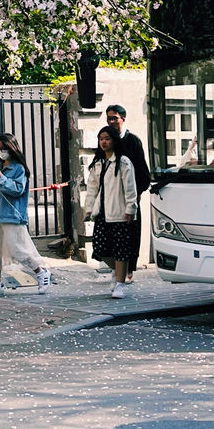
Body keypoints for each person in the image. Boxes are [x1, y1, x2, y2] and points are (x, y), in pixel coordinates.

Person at [0, 132, 51, 297]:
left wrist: (1, 179)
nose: (1, 152)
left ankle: (41, 272)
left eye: (4, 148)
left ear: (11, 148)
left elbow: (18, 189)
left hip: (12, 215)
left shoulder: (18, 168)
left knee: (17, 249)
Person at [84, 125, 137, 299]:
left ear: (114, 140)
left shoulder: (123, 162)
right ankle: (117, 271)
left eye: (107, 138)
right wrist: (89, 209)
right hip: (103, 214)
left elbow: (130, 189)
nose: (104, 142)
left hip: (120, 213)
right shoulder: (97, 163)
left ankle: (120, 284)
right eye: (101, 139)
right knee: (100, 249)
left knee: (121, 250)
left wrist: (131, 209)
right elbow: (92, 189)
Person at [106, 104, 151, 282]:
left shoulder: (133, 141)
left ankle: (129, 269)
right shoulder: (107, 140)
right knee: (110, 235)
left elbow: (142, 171)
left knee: (130, 234)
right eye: (109, 118)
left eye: (114, 118)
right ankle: (117, 268)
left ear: (123, 118)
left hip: (130, 196)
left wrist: (134, 194)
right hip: (110, 197)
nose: (111, 121)